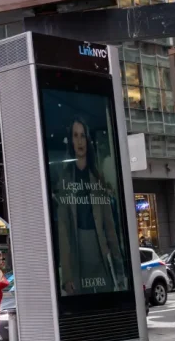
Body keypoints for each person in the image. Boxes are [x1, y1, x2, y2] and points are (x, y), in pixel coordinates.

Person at [54, 117, 126, 295]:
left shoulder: (97, 176)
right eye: (75, 136)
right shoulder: (65, 179)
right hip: (77, 248)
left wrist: (119, 268)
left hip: (99, 246)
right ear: (71, 141)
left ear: (88, 140)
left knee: (105, 296)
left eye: (83, 136)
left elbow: (110, 226)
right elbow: (63, 230)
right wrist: (67, 276)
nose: (80, 141)